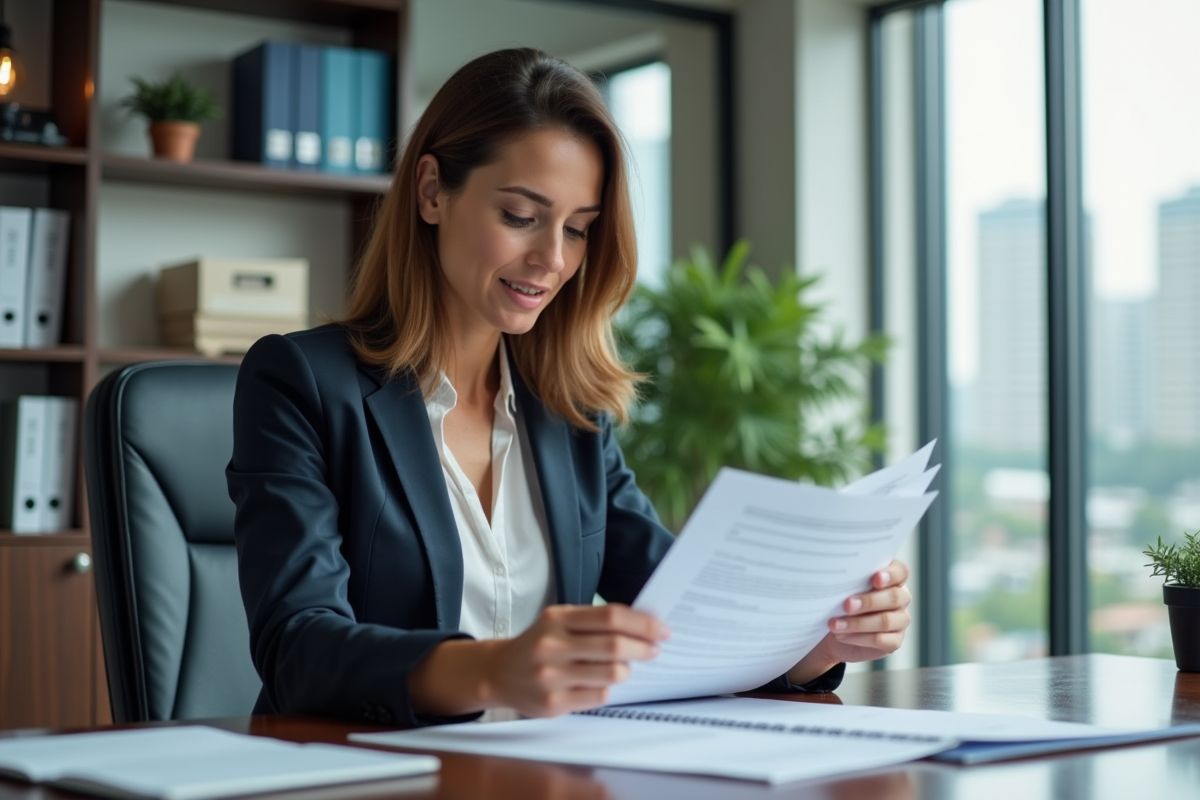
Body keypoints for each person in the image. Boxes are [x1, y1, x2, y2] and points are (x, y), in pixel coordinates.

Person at [227, 47, 912, 728]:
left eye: (579, 229)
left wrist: (811, 647)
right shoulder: (302, 383)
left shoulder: (568, 410)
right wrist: (493, 668)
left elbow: (682, 618)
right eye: (522, 217)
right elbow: (297, 647)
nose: (553, 259)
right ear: (432, 190)